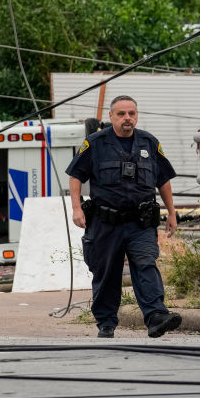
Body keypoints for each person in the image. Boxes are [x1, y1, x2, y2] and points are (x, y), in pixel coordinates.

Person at [66, 95, 181, 339]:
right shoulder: (95, 143)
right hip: (105, 223)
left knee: (146, 264)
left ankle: (156, 317)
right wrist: (76, 208)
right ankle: (106, 323)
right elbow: (76, 176)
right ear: (111, 116)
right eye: (121, 114)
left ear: (136, 116)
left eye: (131, 113)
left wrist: (172, 212)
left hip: (140, 223)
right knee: (107, 272)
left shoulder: (149, 143)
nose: (127, 118)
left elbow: (163, 180)